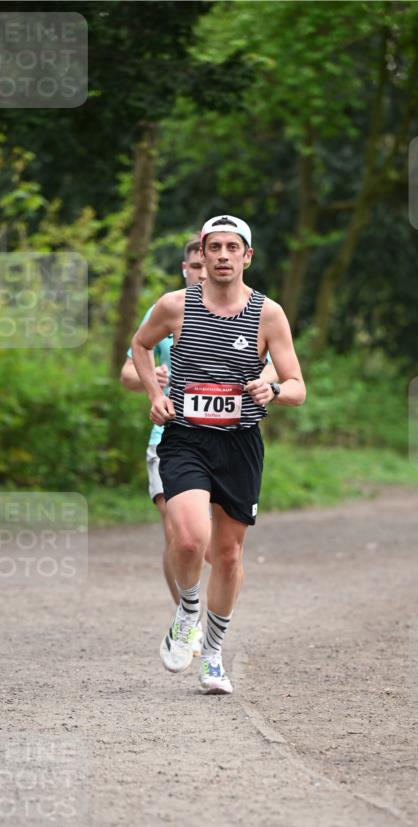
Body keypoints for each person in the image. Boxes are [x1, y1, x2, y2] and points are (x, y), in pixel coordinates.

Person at [131, 214, 306, 694]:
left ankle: (212, 655)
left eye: (234, 248)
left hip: (240, 444)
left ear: (247, 257)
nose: (224, 256)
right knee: (189, 541)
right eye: (216, 248)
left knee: (227, 554)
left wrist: (273, 390)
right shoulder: (175, 306)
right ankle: (188, 608)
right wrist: (154, 394)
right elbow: (140, 347)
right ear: (201, 257)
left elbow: (297, 385)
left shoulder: (268, 314)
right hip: (186, 437)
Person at [120, 237, 204, 603]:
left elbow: (269, 372)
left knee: (213, 544)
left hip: (224, 442)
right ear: (185, 269)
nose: (204, 272)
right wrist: (152, 376)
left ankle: (207, 610)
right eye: (196, 266)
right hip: (167, 438)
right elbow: (127, 375)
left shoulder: (243, 309)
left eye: (209, 264)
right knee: (177, 534)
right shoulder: (166, 309)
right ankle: (187, 617)